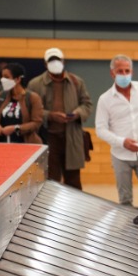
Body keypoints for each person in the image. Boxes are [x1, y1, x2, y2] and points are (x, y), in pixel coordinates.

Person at [93, 55, 138, 207]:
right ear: (112, 73)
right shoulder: (105, 99)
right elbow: (100, 129)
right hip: (120, 156)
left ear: (132, 72)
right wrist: (122, 142)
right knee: (125, 200)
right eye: (120, 71)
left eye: (127, 71)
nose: (124, 74)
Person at [26, 48, 93, 188]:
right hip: (48, 137)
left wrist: (76, 113)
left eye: (58, 60)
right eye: (51, 61)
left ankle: (75, 203)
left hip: (72, 136)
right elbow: (31, 111)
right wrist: (50, 115)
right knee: (51, 179)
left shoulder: (76, 82)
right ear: (45, 64)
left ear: (63, 62)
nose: (55, 63)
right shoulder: (35, 84)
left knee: (73, 180)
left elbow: (87, 104)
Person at [0, 62, 44, 145]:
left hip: (25, 144)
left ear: (18, 79)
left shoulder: (32, 97)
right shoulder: (0, 96)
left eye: (6, 77)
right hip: (3, 143)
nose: (2, 80)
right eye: (2, 77)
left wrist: (16, 128)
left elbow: (37, 123)